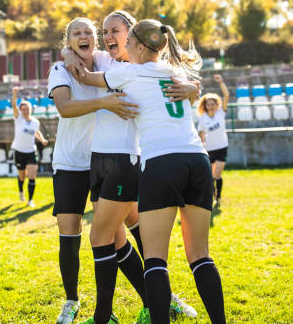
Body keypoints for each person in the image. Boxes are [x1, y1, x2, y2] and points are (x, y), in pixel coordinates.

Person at [79, 19, 226, 324]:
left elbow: (85, 77)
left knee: (156, 258)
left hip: (162, 162)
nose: (126, 47)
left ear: (142, 47)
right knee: (200, 255)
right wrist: (194, 88)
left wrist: (69, 59)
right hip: (198, 161)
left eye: (129, 43)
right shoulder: (175, 72)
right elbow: (193, 89)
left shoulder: (128, 72)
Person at [49, 17, 139, 324]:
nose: (84, 36)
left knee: (120, 234)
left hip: (104, 162)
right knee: (69, 232)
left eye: (89, 32)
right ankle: (71, 301)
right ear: (69, 39)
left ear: (96, 41)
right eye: (76, 33)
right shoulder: (60, 69)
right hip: (70, 163)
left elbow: (133, 55)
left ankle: (160, 296)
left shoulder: (105, 59)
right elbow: (65, 108)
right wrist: (106, 102)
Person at [10, 87, 48, 207]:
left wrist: (42, 140)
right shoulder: (18, 119)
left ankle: (30, 200)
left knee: (32, 175)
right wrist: (15, 94)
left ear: (30, 110)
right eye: (23, 109)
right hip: (18, 151)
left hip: (31, 151)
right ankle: (21, 191)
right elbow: (14, 106)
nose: (25, 111)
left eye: (27, 109)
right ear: (21, 111)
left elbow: (36, 132)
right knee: (22, 175)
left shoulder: (35, 122)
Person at [197, 74, 229, 206]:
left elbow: (226, 96)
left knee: (217, 175)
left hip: (222, 147)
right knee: (210, 177)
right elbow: (200, 132)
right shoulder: (202, 118)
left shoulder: (221, 112)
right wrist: (203, 144)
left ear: (216, 104)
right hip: (209, 149)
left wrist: (221, 82)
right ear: (205, 105)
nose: (210, 106)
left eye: (212, 103)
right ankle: (211, 196)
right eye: (208, 104)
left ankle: (218, 197)